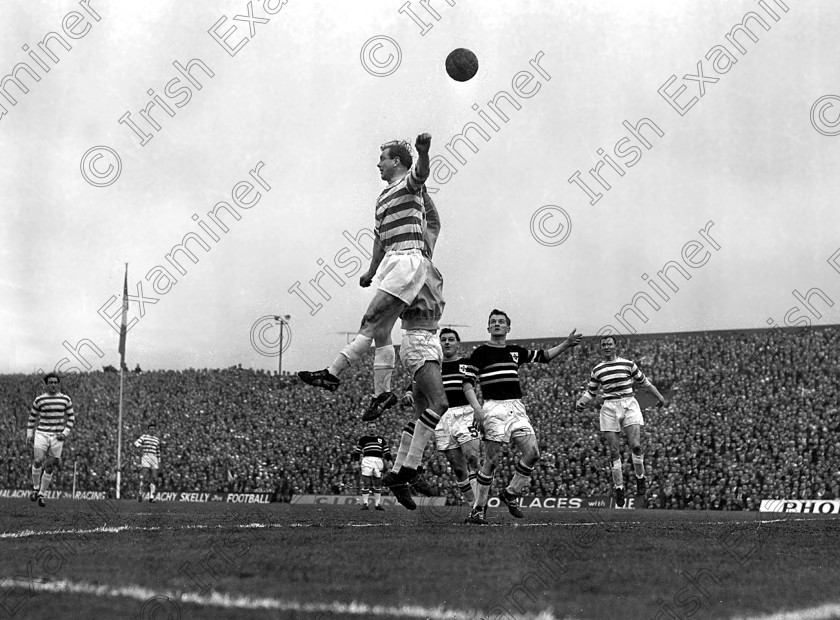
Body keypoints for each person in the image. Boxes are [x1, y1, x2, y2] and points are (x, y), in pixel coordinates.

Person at [298, 134, 433, 421]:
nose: (378, 164)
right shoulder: (382, 197)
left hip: (408, 259)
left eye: (382, 159)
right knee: (381, 331)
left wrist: (423, 152)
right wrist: (371, 271)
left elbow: (422, 172)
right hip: (392, 262)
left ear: (396, 162)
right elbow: (379, 238)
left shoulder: (408, 185)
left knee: (369, 321)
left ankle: (332, 373)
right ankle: (381, 394)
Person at [464, 310, 582, 524]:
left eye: (501, 322)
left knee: (533, 453)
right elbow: (467, 384)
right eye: (493, 322)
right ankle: (478, 509)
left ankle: (510, 492)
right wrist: (477, 409)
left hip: (516, 408)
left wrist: (566, 344)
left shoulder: (515, 351)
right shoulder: (480, 352)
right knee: (492, 460)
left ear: (508, 328)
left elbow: (544, 356)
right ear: (488, 328)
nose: (497, 324)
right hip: (493, 409)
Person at [575, 335, 667, 507]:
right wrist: (581, 402)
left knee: (636, 446)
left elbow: (645, 383)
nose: (607, 347)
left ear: (616, 346)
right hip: (609, 407)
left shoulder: (628, 364)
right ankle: (619, 487)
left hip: (629, 403)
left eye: (610, 344)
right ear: (601, 348)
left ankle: (640, 478)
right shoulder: (598, 370)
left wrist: (660, 398)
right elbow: (591, 392)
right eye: (604, 345)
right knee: (614, 451)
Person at [404, 328, 482, 505]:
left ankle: (479, 507)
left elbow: (471, 384)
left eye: (451, 339)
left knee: (473, 459)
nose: (447, 342)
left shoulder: (467, 364)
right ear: (439, 344)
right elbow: (417, 384)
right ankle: (473, 505)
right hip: (442, 418)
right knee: (458, 468)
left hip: (465, 413)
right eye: (444, 340)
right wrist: (409, 393)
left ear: (457, 343)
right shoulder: (433, 366)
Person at [26, 373, 76, 507]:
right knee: (38, 460)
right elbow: (32, 418)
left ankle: (42, 493)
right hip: (42, 433)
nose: (53, 385)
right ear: (46, 385)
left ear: (58, 384)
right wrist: (29, 434)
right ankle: (36, 488)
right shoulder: (39, 400)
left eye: (55, 382)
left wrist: (65, 433)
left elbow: (71, 418)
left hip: (57, 436)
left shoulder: (65, 399)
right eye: (51, 382)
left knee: (49, 466)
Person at [352, 428, 392, 510]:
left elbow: (386, 451)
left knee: (378, 483)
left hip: (378, 460)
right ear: (368, 429)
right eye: (370, 427)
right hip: (367, 460)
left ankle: (377, 504)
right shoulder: (363, 439)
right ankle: (365, 503)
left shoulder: (381, 439)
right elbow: (358, 451)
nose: (372, 429)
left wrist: (389, 460)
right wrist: (356, 461)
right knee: (366, 482)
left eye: (374, 427)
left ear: (376, 428)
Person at [134, 422, 161, 502]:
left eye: (153, 429)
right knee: (145, 476)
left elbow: (158, 451)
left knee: (154, 478)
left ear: (155, 430)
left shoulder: (157, 439)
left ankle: (151, 497)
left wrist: (159, 461)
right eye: (151, 429)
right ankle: (140, 493)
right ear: (148, 430)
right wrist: (140, 446)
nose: (152, 430)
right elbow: (136, 443)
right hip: (146, 456)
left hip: (154, 457)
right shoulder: (144, 437)